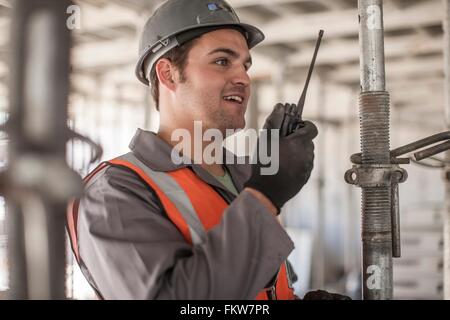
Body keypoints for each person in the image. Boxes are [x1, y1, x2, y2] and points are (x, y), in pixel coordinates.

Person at [67, 0, 348, 300]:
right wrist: (267, 194)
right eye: (222, 61)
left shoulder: (243, 179)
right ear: (168, 74)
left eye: (245, 65)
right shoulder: (112, 193)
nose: (243, 78)